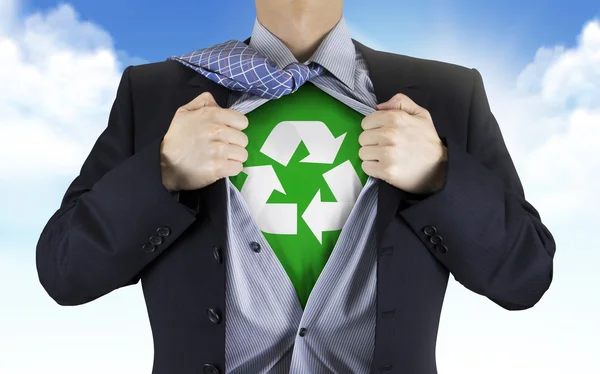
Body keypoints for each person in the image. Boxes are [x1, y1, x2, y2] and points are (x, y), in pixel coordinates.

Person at [35, 0, 556, 373]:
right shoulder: (154, 94)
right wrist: (162, 171)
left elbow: (524, 275)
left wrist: (440, 175)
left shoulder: (447, 94)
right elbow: (65, 271)